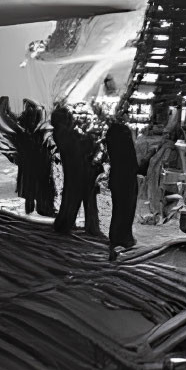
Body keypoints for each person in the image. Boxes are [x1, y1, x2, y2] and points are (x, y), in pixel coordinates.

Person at [51, 104, 102, 237]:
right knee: (75, 198)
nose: (72, 120)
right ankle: (68, 225)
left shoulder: (62, 132)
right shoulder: (64, 133)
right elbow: (80, 148)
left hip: (76, 168)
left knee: (75, 198)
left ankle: (71, 225)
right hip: (77, 169)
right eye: (69, 117)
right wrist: (90, 140)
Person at [105, 114, 139, 258]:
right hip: (125, 179)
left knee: (120, 209)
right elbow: (132, 162)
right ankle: (121, 238)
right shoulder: (122, 137)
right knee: (125, 209)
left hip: (118, 178)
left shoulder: (113, 137)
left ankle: (119, 237)